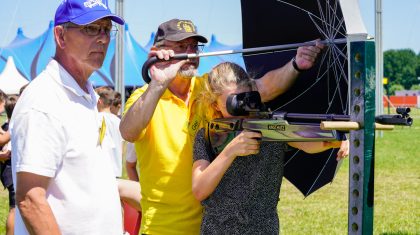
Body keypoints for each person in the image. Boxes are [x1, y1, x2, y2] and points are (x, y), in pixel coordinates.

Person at [119, 18, 324, 234]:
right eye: (181, 46)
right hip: (164, 228)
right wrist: (159, 83)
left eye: (194, 46)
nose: (191, 53)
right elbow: (128, 132)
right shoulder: (144, 97)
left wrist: (295, 65)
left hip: (213, 226)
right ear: (157, 51)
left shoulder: (207, 88)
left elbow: (265, 87)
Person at [192, 62, 348, 234]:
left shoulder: (270, 128)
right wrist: (230, 152)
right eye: (235, 103)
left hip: (263, 228)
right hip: (218, 229)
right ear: (215, 105)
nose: (244, 108)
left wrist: (340, 137)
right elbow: (199, 189)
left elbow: (309, 142)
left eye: (248, 99)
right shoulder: (207, 135)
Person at [10, 0, 125, 234]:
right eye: (91, 28)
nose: (103, 38)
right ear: (60, 36)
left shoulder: (86, 95)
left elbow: (83, 181)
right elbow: (31, 199)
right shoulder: (45, 100)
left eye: (105, 29)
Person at [96, 86, 123, 177]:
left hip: (102, 171)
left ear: (99, 101)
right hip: (117, 170)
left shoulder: (97, 119)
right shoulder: (119, 121)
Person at [0, 94, 17, 235]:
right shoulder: (12, 127)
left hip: (8, 170)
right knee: (14, 208)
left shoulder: (5, 126)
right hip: (10, 170)